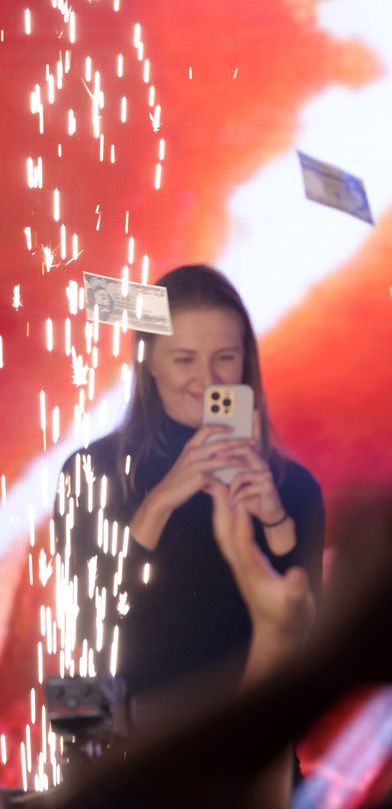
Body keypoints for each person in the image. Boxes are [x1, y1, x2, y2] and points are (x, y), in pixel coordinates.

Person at [58, 263, 325, 711]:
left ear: (246, 359)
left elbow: (309, 642)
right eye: (184, 359)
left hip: (250, 736)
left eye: (224, 357)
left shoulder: (295, 487)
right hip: (126, 748)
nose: (208, 380)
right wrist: (160, 501)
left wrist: (277, 523)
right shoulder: (92, 470)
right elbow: (89, 622)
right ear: (150, 365)